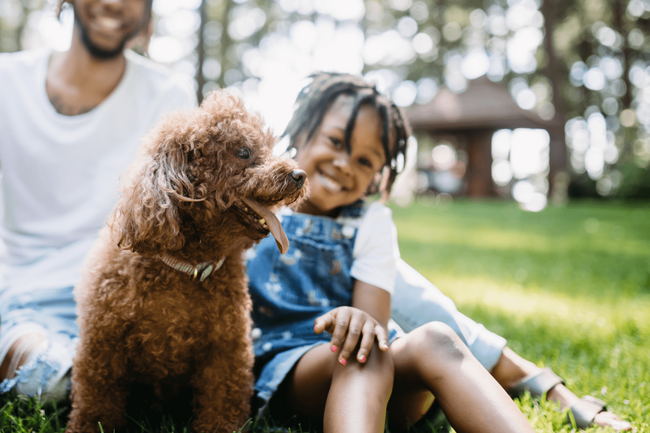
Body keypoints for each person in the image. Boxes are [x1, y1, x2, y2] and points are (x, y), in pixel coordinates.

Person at [248, 72, 633, 432]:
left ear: (377, 175)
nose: (344, 163)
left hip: (376, 378)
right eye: (335, 142)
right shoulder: (252, 207)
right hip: (290, 367)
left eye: (364, 161)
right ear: (301, 132)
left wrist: (360, 320)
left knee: (433, 337)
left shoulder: (370, 222)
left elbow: (374, 329)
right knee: (358, 353)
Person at [0, 0, 196, 400]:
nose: (113, 3)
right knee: (45, 378)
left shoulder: (168, 94)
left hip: (125, 299)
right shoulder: (8, 80)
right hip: (23, 297)